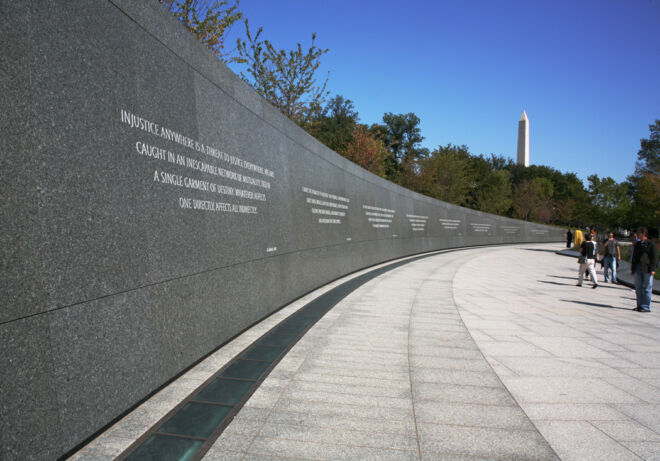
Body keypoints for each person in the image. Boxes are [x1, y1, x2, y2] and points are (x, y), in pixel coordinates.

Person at [631, 227, 658, 312]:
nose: (637, 235)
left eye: (638, 233)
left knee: (647, 287)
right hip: (637, 268)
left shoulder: (651, 245)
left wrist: (653, 269)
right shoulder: (637, 244)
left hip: (647, 268)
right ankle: (639, 305)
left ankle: (646, 306)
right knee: (638, 288)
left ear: (643, 234)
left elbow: (655, 258)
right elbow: (634, 257)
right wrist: (632, 269)